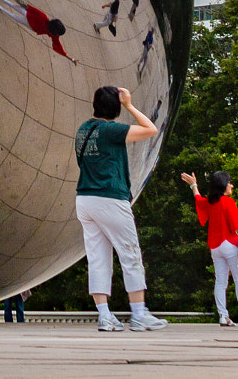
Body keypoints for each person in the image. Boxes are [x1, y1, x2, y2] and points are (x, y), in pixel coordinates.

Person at [76, 86, 166, 332]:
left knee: (97, 258)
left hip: (85, 198)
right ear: (114, 107)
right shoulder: (110, 130)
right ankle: (138, 314)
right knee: (130, 253)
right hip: (110, 197)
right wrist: (129, 105)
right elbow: (151, 129)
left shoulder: (83, 130)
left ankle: (105, 316)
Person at [182, 170, 238, 325]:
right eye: (229, 183)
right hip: (230, 243)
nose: (231, 185)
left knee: (220, 282)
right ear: (223, 185)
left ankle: (223, 316)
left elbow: (199, 200)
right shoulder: (229, 202)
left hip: (215, 246)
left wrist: (194, 185)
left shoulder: (210, 202)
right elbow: (237, 226)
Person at [0, 0, 76, 63]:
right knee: (13, 13)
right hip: (30, 22)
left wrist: (71, 59)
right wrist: (70, 58)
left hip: (29, 19)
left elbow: (59, 46)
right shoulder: (52, 32)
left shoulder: (48, 24)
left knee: (13, 10)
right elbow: (58, 46)